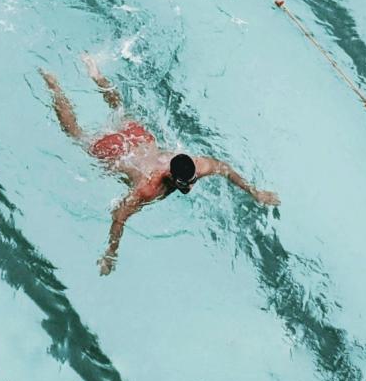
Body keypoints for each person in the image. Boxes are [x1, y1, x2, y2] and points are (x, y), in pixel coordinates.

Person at [39, 54, 280, 276]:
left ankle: (96, 73)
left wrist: (255, 193)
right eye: (185, 184)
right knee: (76, 135)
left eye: (192, 181)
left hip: (138, 137)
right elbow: (119, 216)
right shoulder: (148, 187)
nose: (190, 187)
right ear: (172, 176)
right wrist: (110, 254)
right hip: (116, 151)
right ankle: (54, 85)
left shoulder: (196, 165)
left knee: (120, 110)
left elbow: (224, 168)